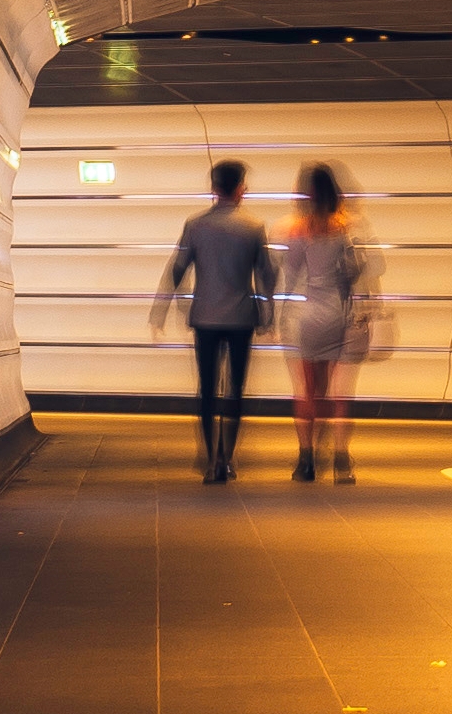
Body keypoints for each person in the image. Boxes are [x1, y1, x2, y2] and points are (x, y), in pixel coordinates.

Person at [155, 159, 275, 483]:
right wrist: (268, 315)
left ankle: (211, 460)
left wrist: (161, 312)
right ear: (239, 188)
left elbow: (177, 268)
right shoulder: (254, 226)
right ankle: (229, 459)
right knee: (235, 389)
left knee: (207, 390)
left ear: (214, 187)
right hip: (240, 319)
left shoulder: (195, 225)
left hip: (205, 318)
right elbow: (266, 274)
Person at [274, 164, 371, 486]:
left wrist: (277, 317)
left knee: (306, 391)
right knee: (338, 393)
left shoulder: (297, 229)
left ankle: (306, 461)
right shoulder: (348, 228)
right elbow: (359, 272)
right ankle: (342, 461)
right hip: (340, 315)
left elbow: (290, 277)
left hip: (306, 316)